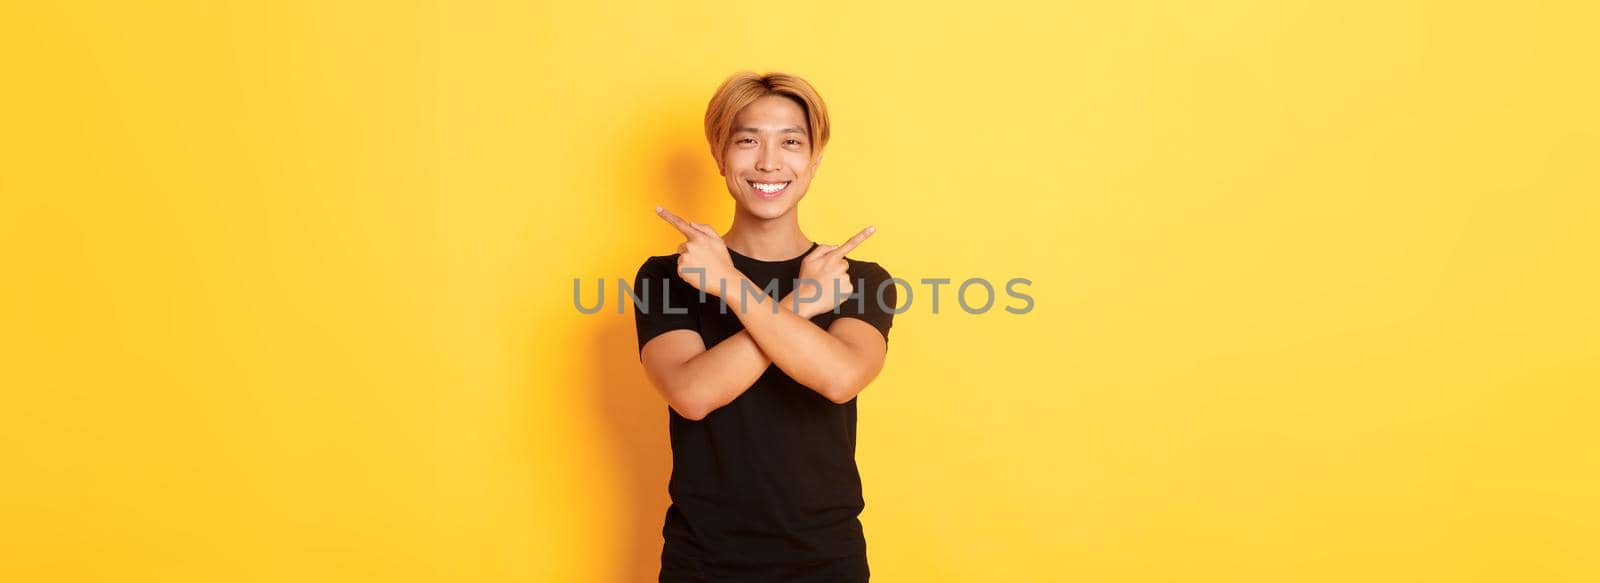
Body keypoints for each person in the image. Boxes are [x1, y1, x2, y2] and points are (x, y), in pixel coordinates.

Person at [632, 71, 896, 582]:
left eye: (791, 142)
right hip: (702, 562)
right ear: (719, 156)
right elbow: (693, 393)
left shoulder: (858, 279)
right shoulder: (667, 276)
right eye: (747, 140)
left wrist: (729, 284)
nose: (769, 162)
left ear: (815, 160)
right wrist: (802, 302)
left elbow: (839, 378)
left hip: (828, 562)